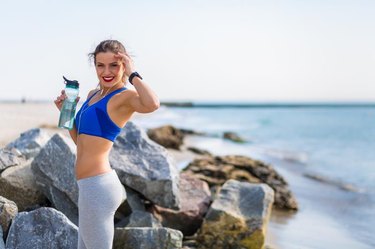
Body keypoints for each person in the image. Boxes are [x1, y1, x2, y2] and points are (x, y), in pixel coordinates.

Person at [54, 39, 160, 249]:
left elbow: (153, 103)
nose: (107, 71)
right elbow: (81, 142)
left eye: (114, 65)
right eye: (100, 65)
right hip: (86, 186)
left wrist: (133, 73)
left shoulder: (124, 96)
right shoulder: (93, 95)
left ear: (124, 65)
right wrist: (66, 112)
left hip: (99, 187)